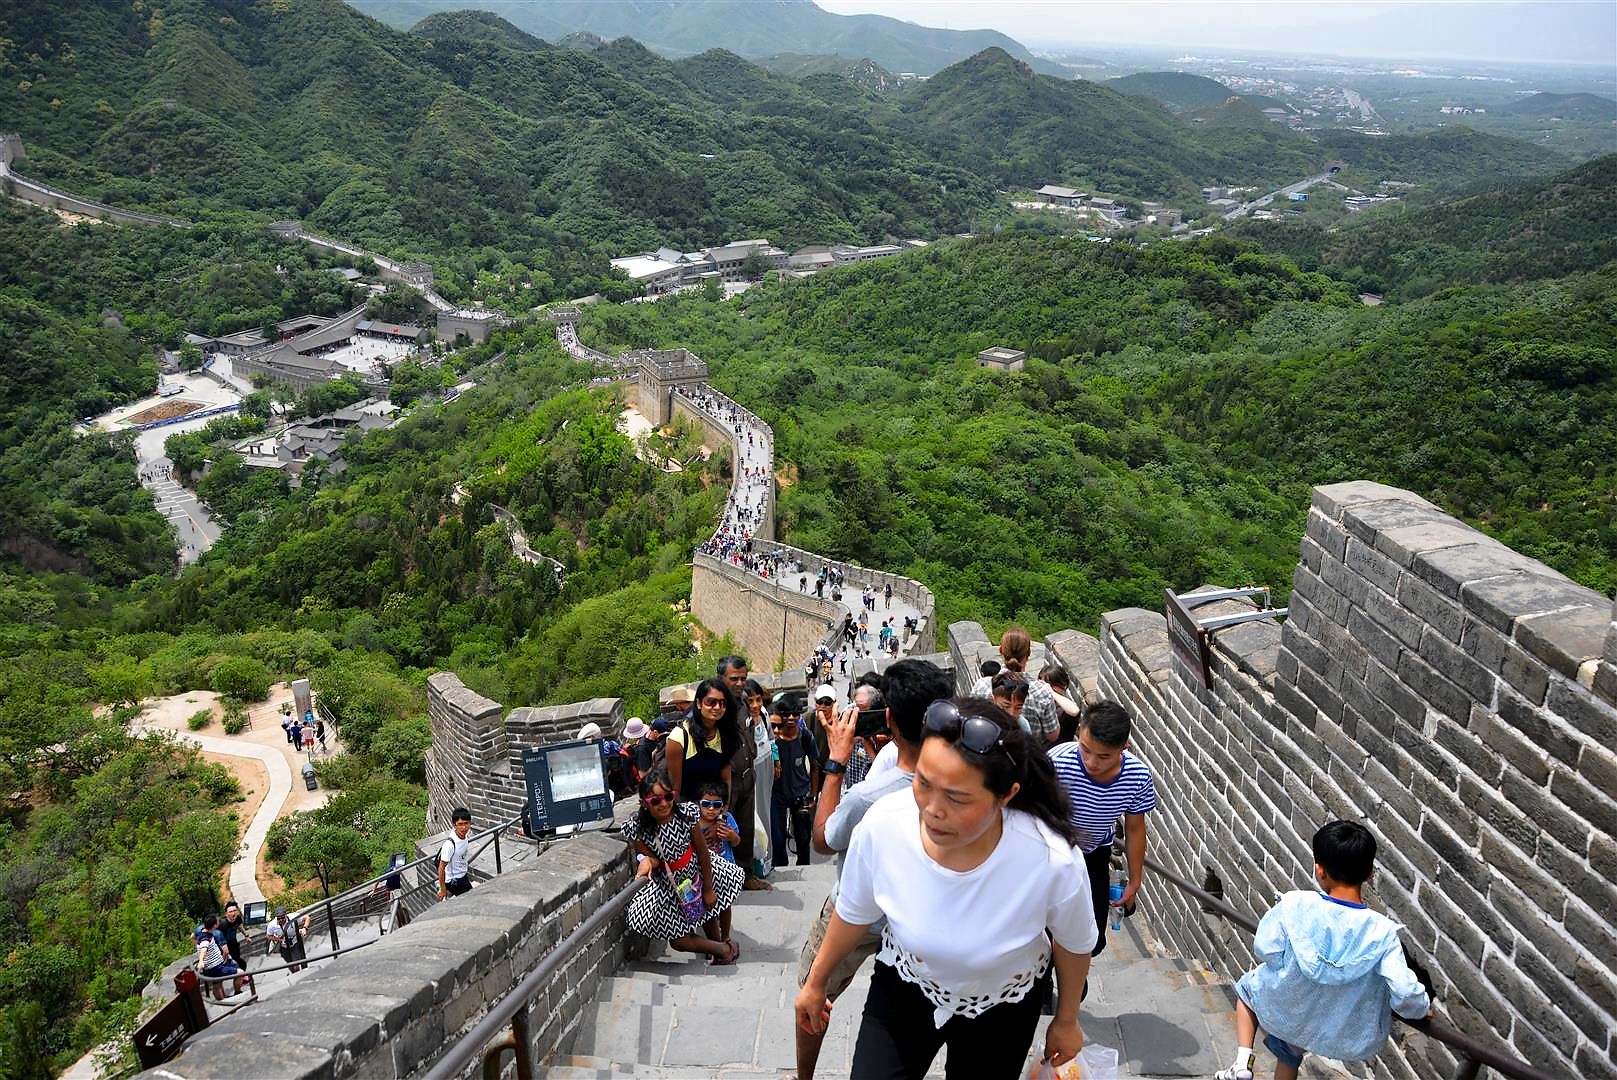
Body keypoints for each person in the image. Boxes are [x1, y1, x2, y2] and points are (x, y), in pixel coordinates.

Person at [795, 698, 1095, 1079]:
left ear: (1006, 795)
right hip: (906, 985)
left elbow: (1074, 942)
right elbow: (854, 911)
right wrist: (816, 982)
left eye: (956, 797)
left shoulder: (1051, 858)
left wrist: (1067, 1019)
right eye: (923, 782)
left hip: (1004, 1005)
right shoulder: (884, 825)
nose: (933, 809)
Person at [796, 659, 952, 1080]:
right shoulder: (965, 782)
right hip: (920, 920)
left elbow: (823, 841)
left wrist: (835, 762)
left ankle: (805, 1076)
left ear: (888, 719)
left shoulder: (869, 797)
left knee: (813, 992)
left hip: (858, 913)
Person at [1215, 822, 1432, 1080]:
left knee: (1247, 991)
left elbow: (1265, 948)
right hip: (1335, 1026)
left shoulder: (1297, 904)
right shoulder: (1382, 933)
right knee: (1290, 1052)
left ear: (1320, 870)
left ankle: (1242, 1063)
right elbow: (1405, 991)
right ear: (1369, 874)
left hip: (1290, 1006)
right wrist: (1421, 1009)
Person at [1047, 701, 1157, 971]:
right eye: (1085, 749)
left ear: (1124, 748)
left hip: (1094, 855)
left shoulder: (1137, 776)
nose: (1091, 762)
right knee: (1047, 927)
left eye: (1104, 756)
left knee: (1093, 938)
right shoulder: (1057, 761)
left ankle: (1069, 975)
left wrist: (1135, 880)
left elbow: (1135, 828)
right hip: (1050, 853)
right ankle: (1052, 977)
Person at [622, 766, 743, 964]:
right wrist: (646, 861)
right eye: (655, 801)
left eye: (668, 797)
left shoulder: (686, 815)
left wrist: (709, 887)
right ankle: (721, 948)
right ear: (644, 803)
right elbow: (649, 857)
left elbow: (702, 851)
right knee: (678, 940)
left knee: (710, 911)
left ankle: (721, 948)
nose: (663, 804)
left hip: (697, 872)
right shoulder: (638, 829)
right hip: (670, 884)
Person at [716, 656, 766, 890]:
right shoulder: (716, 707)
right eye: (734, 678)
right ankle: (725, 879)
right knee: (724, 829)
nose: (739, 683)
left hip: (747, 775)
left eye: (743, 678)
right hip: (726, 781)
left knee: (745, 828)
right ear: (721, 678)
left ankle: (746, 875)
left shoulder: (743, 702)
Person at [970, 628, 1060, 744]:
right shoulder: (1042, 692)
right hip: (1028, 751)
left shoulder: (981, 685)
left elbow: (971, 719)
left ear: (1001, 650)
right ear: (1029, 653)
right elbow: (1052, 736)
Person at [666, 677, 741, 801]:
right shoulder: (679, 738)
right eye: (711, 702)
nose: (717, 707)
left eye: (722, 703)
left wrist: (724, 808)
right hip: (688, 807)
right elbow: (675, 789)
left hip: (716, 807)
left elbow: (726, 778)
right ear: (699, 703)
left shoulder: (724, 733)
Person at [771, 696, 820, 867]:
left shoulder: (805, 736)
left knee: (803, 838)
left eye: (795, 714)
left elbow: (814, 767)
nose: (791, 718)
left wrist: (813, 794)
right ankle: (780, 869)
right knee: (777, 838)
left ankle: (804, 868)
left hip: (801, 795)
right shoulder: (773, 739)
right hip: (777, 796)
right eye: (786, 714)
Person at [195, 914, 248, 994]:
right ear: (215, 925)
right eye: (217, 921)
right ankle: (237, 992)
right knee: (240, 973)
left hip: (210, 967)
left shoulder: (202, 932)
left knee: (217, 984)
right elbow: (204, 949)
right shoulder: (206, 938)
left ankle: (222, 999)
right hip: (216, 967)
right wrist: (201, 960)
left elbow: (194, 937)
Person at [696, 780, 742, 866]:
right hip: (704, 867)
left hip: (727, 866)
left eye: (716, 805)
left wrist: (732, 837)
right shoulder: (694, 822)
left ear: (723, 807)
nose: (711, 808)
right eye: (706, 804)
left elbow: (736, 842)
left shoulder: (727, 819)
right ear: (698, 804)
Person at [438, 807, 474, 900]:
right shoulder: (449, 845)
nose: (464, 827)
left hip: (462, 875)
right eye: (460, 824)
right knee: (471, 900)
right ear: (454, 825)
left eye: (466, 823)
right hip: (454, 881)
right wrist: (443, 889)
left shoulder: (464, 835)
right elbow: (441, 868)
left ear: (470, 823)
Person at [266, 907, 312, 973]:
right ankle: (294, 973)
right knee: (289, 963)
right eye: (278, 918)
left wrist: (304, 928)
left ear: (286, 915)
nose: (281, 920)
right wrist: (280, 939)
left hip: (295, 942)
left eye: (282, 917)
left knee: (296, 963)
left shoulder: (293, 917)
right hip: (283, 946)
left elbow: (307, 917)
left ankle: (300, 973)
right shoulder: (272, 925)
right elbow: (268, 936)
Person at [220, 900, 249, 973]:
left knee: (237, 961)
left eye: (235, 911)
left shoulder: (238, 918)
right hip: (225, 947)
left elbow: (240, 926)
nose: (233, 913)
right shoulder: (222, 923)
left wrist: (246, 936)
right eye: (230, 912)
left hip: (234, 944)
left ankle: (240, 976)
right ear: (226, 914)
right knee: (240, 963)